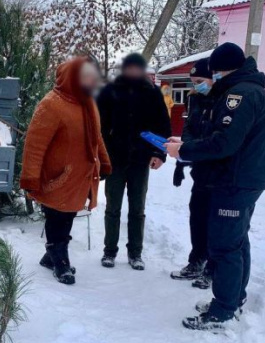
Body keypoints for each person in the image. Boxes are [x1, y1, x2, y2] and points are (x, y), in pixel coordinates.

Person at [164, 42, 265, 330]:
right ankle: (233, 299)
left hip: (235, 181)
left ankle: (222, 311)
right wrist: (186, 144)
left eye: (213, 72)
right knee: (237, 242)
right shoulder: (250, 89)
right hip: (242, 178)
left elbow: (224, 142)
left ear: (222, 70)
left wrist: (184, 151)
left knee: (225, 247)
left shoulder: (240, 94)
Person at [20, 57, 111, 285]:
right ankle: (60, 260)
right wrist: (30, 177)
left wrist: (104, 160)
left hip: (81, 176)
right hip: (58, 176)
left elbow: (96, 136)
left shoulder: (88, 102)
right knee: (57, 215)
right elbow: (34, 144)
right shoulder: (51, 104)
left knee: (68, 214)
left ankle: (52, 255)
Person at [97, 53, 171, 270]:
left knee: (137, 209)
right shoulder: (109, 92)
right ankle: (109, 251)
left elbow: (163, 126)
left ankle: (135, 253)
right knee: (113, 207)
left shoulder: (152, 92)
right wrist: (101, 155)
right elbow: (99, 126)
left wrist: (160, 154)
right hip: (115, 159)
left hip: (140, 160)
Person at [170, 58, 215, 286]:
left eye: (200, 81)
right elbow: (189, 130)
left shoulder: (222, 100)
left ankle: (212, 268)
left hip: (218, 171)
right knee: (197, 216)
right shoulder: (194, 99)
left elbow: (216, 139)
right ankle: (196, 260)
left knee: (215, 222)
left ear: (213, 78)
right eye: (193, 81)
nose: (196, 86)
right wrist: (181, 162)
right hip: (200, 169)